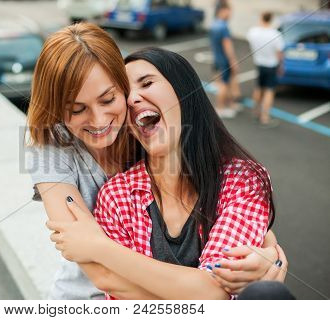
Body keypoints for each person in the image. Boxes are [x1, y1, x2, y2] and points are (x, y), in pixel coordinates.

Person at [27, 23, 284, 300]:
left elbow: (225, 271)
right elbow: (102, 275)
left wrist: (271, 254)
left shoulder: (145, 136)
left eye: (109, 99)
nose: (99, 121)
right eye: (77, 110)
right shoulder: (56, 152)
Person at [247, 12, 284, 128]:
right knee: (269, 90)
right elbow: (279, 53)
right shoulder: (275, 34)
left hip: (259, 63)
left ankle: (255, 112)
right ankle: (264, 117)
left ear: (261, 18)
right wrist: (281, 66)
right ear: (271, 20)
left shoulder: (253, 32)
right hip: (271, 65)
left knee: (258, 87)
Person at [210, 3, 240, 119]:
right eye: (229, 11)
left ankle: (229, 105)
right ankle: (221, 108)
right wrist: (233, 61)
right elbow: (227, 46)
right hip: (224, 61)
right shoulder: (223, 27)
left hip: (217, 59)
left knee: (223, 84)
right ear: (222, 11)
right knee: (224, 85)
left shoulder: (214, 25)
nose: (230, 14)